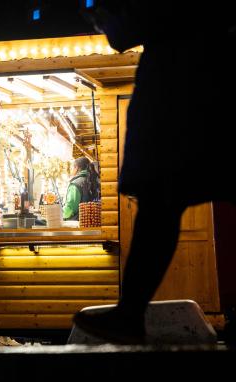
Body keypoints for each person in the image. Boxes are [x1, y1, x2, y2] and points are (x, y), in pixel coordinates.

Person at [74, 1, 236, 344]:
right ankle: (130, 312)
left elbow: (136, 24)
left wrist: (103, 16)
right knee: (162, 200)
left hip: (180, 91)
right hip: (206, 78)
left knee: (159, 199)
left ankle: (130, 313)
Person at [62, 157, 93, 221]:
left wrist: (58, 215)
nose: (71, 170)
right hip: (88, 221)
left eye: (72, 167)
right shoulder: (90, 180)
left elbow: (69, 209)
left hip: (76, 223)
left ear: (76, 168)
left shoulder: (76, 184)